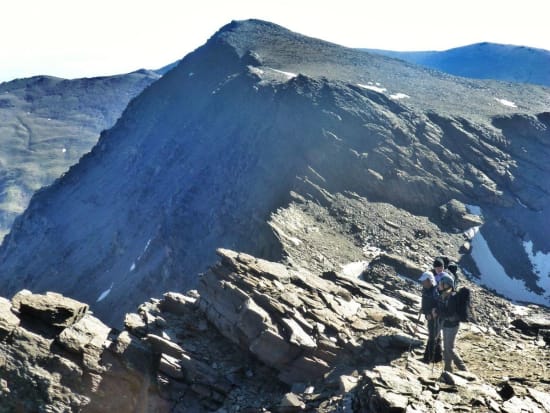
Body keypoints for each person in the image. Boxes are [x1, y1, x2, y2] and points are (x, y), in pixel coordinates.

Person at [432, 273, 467, 373]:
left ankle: (463, 369)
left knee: (449, 348)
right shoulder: (443, 295)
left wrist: (437, 312)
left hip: (451, 326)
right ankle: (448, 369)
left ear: (446, 285)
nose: (439, 285)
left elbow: (449, 313)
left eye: (441, 283)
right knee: (446, 347)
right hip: (446, 324)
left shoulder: (452, 297)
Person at [419, 271, 442, 363]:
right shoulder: (426, 289)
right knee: (436, 336)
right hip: (429, 316)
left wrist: (430, 312)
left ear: (429, 281)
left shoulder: (435, 291)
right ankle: (437, 357)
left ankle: (427, 358)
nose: (422, 283)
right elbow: (425, 302)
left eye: (424, 281)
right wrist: (423, 310)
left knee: (433, 336)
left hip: (435, 317)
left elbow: (438, 305)